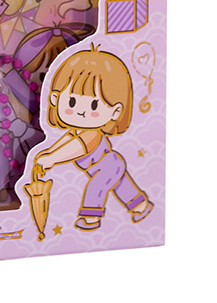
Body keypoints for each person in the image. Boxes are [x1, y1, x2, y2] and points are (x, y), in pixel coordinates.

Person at [33, 45, 153, 230]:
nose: (81, 111)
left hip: (108, 164)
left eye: (95, 105)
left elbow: (76, 147)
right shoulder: (77, 130)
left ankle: (90, 218)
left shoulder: (91, 133)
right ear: (55, 99)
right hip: (108, 165)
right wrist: (49, 153)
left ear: (116, 111)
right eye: (72, 101)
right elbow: (66, 141)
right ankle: (141, 206)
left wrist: (52, 158)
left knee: (96, 186)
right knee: (122, 185)